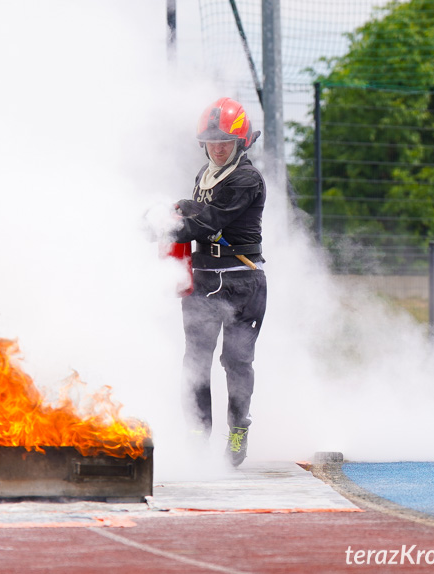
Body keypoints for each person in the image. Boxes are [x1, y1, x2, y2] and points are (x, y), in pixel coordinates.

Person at [169, 97, 267, 467]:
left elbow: (209, 222)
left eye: (226, 140)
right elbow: (198, 213)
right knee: (195, 361)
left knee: (237, 361)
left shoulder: (246, 178)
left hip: (243, 283)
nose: (219, 147)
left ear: (241, 142)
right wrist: (178, 207)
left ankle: (238, 429)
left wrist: (166, 224)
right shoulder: (204, 173)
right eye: (212, 141)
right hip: (204, 279)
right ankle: (197, 434)